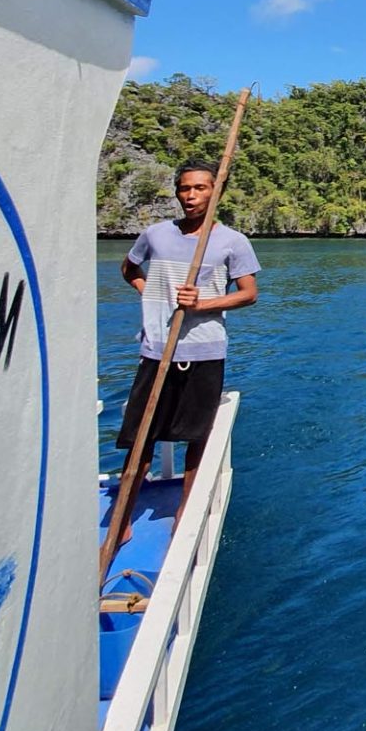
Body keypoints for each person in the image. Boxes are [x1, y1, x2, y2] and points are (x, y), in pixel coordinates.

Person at [117, 159, 260, 508]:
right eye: (185, 188)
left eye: (200, 188)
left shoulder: (232, 241)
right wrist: (151, 292)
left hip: (205, 351)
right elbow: (129, 267)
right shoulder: (156, 234)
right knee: (142, 435)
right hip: (157, 348)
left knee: (197, 436)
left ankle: (186, 510)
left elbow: (249, 293)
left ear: (216, 191)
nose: (191, 195)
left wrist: (204, 303)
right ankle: (122, 520)